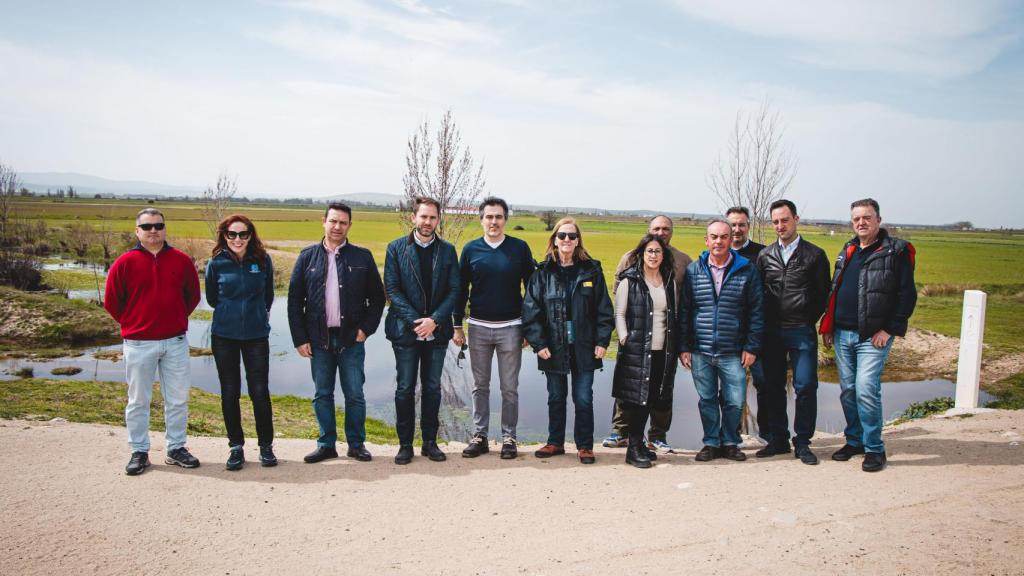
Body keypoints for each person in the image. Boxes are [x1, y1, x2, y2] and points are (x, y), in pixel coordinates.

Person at [820, 198, 917, 472]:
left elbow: (906, 296)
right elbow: (835, 290)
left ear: (878, 220)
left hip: (873, 336)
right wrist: (828, 326)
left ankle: (875, 448)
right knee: (848, 391)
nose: (861, 223)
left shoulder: (895, 252)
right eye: (856, 219)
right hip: (842, 334)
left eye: (867, 217)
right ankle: (855, 441)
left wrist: (889, 329)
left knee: (866, 390)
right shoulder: (848, 249)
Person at [104, 208, 201, 476]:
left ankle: (176, 448)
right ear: (137, 231)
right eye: (147, 227)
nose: (153, 231)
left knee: (178, 399)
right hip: (138, 344)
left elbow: (192, 296)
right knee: (138, 400)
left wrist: (175, 318)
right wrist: (134, 323)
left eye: (158, 226)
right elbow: (112, 302)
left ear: (165, 229)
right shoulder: (125, 263)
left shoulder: (181, 261)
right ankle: (139, 450)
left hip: (175, 342)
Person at [288, 202, 385, 464]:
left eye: (343, 222)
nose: (337, 227)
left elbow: (377, 298)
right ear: (324, 221)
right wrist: (300, 338)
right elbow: (295, 301)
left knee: (354, 393)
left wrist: (366, 329)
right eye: (333, 221)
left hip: (351, 339)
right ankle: (326, 444)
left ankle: (356, 444)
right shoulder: (307, 257)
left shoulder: (361, 257)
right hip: (318, 339)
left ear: (349, 226)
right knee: (322, 393)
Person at [522, 217, 614, 465]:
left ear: (578, 241)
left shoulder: (591, 271)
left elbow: (604, 310)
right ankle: (555, 442)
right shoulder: (542, 273)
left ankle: (584, 446)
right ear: (554, 239)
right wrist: (538, 344)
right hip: (553, 347)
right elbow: (532, 312)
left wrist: (603, 341)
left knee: (583, 397)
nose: (566, 240)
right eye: (562, 235)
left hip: (584, 346)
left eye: (572, 236)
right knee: (555, 396)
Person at [454, 197, 535, 460]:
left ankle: (509, 437)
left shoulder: (519, 249)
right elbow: (460, 290)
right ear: (481, 220)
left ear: (505, 220)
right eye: (489, 217)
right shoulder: (470, 250)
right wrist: (457, 325)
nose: (493, 222)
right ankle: (480, 436)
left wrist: (528, 329)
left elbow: (532, 290)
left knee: (509, 387)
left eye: (498, 217)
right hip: (478, 327)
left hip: (511, 328)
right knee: (480, 386)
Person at [603, 215, 692, 453]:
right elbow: (619, 294)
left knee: (662, 389)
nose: (661, 232)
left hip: (667, 337)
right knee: (630, 388)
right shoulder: (630, 258)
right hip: (637, 337)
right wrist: (624, 335)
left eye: (666, 229)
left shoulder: (682, 260)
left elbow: (686, 299)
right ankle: (621, 433)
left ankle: (657, 435)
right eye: (656, 228)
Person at [678, 219, 764, 462]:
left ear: (730, 240)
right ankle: (711, 443)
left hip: (733, 350)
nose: (719, 241)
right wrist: (684, 347)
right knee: (706, 399)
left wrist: (751, 346)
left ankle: (730, 442)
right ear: (706, 240)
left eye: (723, 237)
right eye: (714, 237)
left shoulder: (747, 269)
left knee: (735, 400)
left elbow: (757, 311)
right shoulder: (695, 270)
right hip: (701, 349)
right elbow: (685, 311)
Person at [383, 197, 460, 465]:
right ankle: (405, 445)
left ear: (438, 220)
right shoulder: (395, 249)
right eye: (423, 217)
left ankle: (430, 443)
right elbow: (392, 289)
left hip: (437, 333)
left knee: (432, 388)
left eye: (433, 218)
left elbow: (454, 290)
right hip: (405, 331)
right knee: (404, 388)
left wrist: (435, 320)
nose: (428, 222)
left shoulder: (448, 250)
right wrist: (418, 321)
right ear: (413, 217)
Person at [754, 200, 830, 465]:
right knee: (772, 386)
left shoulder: (815, 255)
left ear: (796, 219)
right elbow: (760, 292)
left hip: (801, 330)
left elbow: (823, 294)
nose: (780, 226)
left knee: (806, 385)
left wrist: (808, 317)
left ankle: (803, 441)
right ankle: (778, 439)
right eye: (775, 221)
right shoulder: (766, 256)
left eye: (784, 220)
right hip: (771, 331)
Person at [205, 214, 277, 470]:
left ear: (250, 235)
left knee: (259, 391)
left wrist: (257, 315)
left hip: (256, 336)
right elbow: (212, 298)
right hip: (224, 336)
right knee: (230, 392)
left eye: (243, 234)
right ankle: (236, 447)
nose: (237, 239)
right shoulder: (216, 263)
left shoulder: (263, 260)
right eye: (232, 234)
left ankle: (266, 446)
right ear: (224, 236)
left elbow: (268, 296)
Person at [612, 234, 677, 468]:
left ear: (663, 255)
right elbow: (619, 313)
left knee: (652, 398)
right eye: (649, 251)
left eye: (657, 251)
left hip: (663, 350)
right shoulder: (630, 280)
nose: (653, 255)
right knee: (637, 399)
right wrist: (624, 336)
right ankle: (633, 447)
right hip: (638, 349)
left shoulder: (668, 280)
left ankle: (639, 445)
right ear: (641, 254)